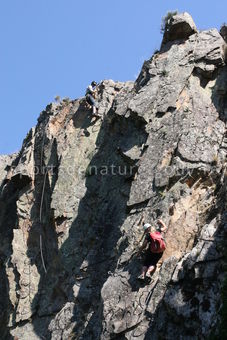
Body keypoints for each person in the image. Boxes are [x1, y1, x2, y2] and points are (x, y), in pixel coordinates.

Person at [137, 217, 167, 282]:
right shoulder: (157, 231)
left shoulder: (148, 235)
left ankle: (142, 275)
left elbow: (144, 245)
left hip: (152, 251)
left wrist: (139, 251)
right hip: (160, 251)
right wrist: (161, 221)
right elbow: (165, 227)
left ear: (145, 230)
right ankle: (148, 273)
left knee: (146, 263)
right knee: (153, 263)